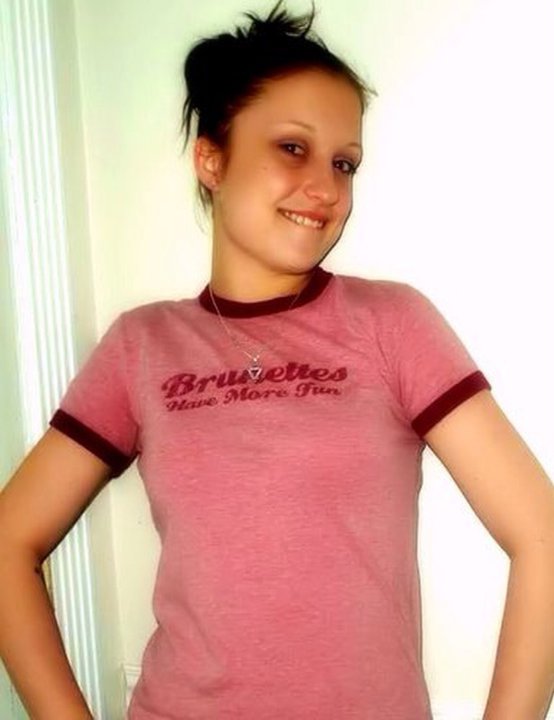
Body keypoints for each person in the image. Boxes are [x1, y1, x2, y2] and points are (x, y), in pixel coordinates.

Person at [1, 1, 553, 719]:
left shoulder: (390, 324)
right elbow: (9, 541)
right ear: (212, 159)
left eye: (344, 163)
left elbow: (541, 534)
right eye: (293, 147)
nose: (327, 188)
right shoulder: (142, 346)